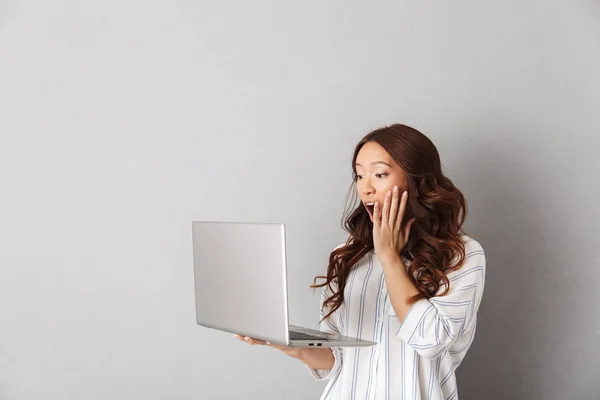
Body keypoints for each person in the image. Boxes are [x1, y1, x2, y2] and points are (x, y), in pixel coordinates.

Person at [235, 123, 486, 400]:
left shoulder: (462, 255)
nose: (365, 189)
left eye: (379, 174)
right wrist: (282, 341)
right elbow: (336, 358)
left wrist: (389, 257)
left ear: (417, 181)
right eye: (359, 175)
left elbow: (430, 341)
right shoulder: (348, 256)